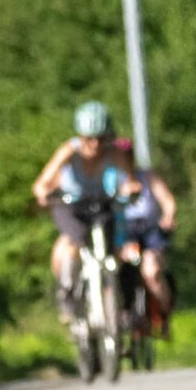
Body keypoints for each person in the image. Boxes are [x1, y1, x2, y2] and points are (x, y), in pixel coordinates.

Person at [30, 101, 143, 319]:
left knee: (114, 247)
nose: (95, 144)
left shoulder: (114, 153)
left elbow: (131, 181)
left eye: (101, 138)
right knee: (76, 238)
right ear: (80, 136)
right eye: (88, 138)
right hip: (70, 205)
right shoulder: (68, 151)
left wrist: (131, 189)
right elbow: (42, 182)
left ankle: (115, 300)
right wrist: (44, 192)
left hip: (102, 205)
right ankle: (67, 290)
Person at [110, 138, 179, 325]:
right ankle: (124, 311)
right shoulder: (111, 181)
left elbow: (168, 200)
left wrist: (169, 215)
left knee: (152, 271)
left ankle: (165, 312)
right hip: (126, 235)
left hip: (151, 234)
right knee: (119, 266)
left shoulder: (148, 177)